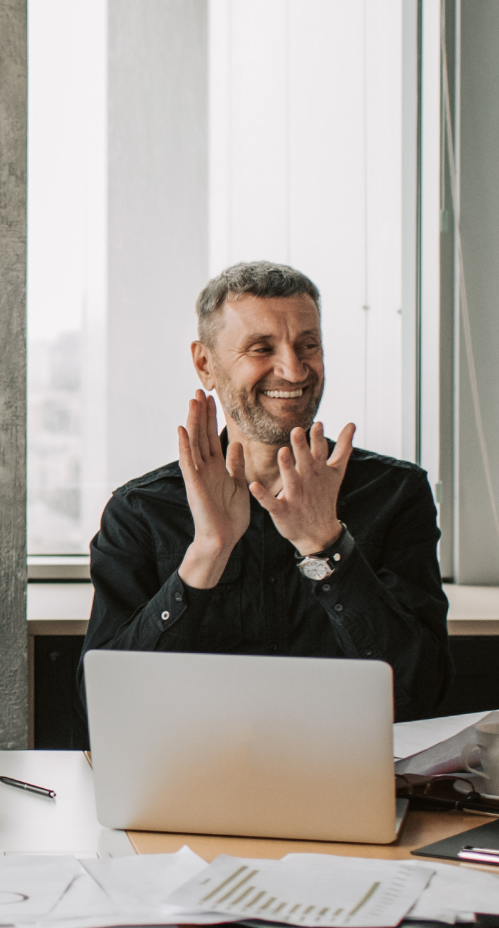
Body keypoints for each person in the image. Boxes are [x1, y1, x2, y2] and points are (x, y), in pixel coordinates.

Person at [81, 261, 451, 727]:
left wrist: (328, 548)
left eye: (308, 345)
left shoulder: (396, 494)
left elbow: (424, 693)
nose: (294, 370)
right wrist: (207, 553)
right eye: (262, 348)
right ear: (205, 364)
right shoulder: (140, 510)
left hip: (345, 784)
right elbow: (103, 708)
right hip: (189, 784)